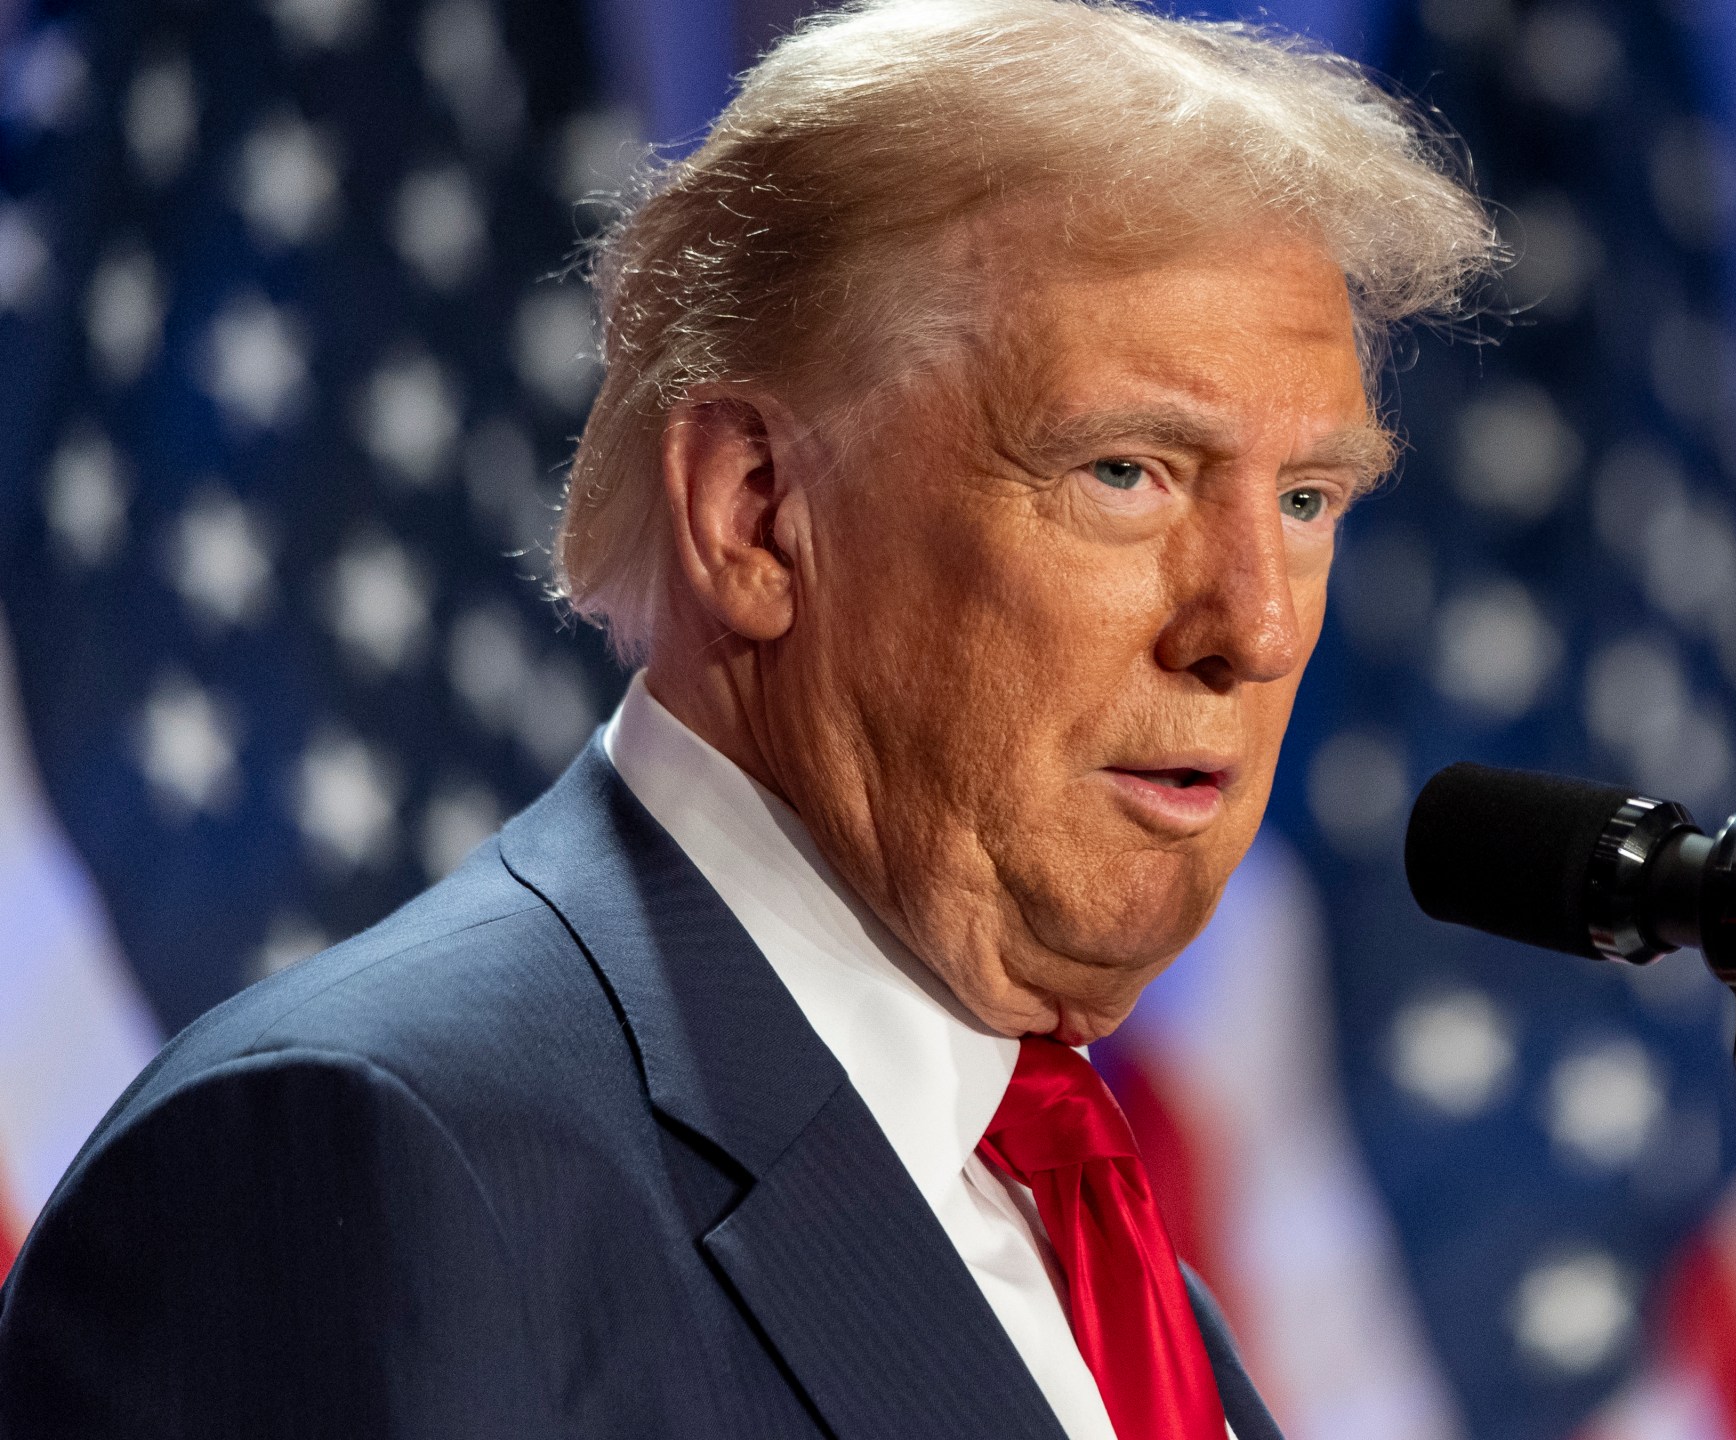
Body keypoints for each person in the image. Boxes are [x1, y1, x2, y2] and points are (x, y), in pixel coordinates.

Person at [0, 1, 1497, 1433]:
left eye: (1307, 500)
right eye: (1127, 473)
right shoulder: (365, 1165)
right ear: (754, 514)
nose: (1259, 623)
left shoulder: (1084, 1230)